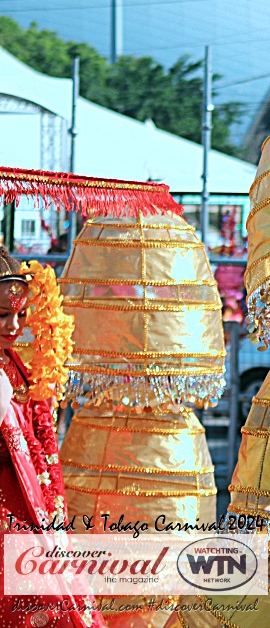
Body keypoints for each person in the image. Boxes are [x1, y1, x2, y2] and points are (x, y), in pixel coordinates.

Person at [0, 247, 105, 628]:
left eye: (20, 315)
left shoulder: (13, 361)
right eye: (2, 315)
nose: (13, 326)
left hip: (28, 503)